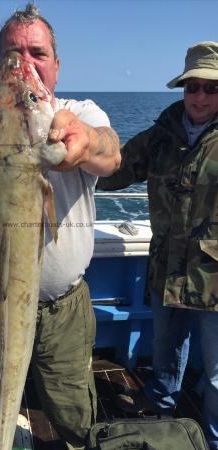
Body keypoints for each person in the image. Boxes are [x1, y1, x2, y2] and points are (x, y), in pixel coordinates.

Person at [0, 4, 121, 450]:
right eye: (10, 54)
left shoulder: (81, 112)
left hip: (65, 307)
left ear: (57, 64)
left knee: (75, 415)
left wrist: (88, 141)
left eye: (37, 53)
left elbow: (111, 153)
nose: (23, 64)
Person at [97, 41, 218, 450]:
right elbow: (114, 169)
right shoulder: (161, 135)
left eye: (211, 88)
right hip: (166, 268)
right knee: (165, 347)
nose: (200, 96)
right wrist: (69, 164)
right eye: (192, 87)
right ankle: (161, 405)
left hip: (213, 280)